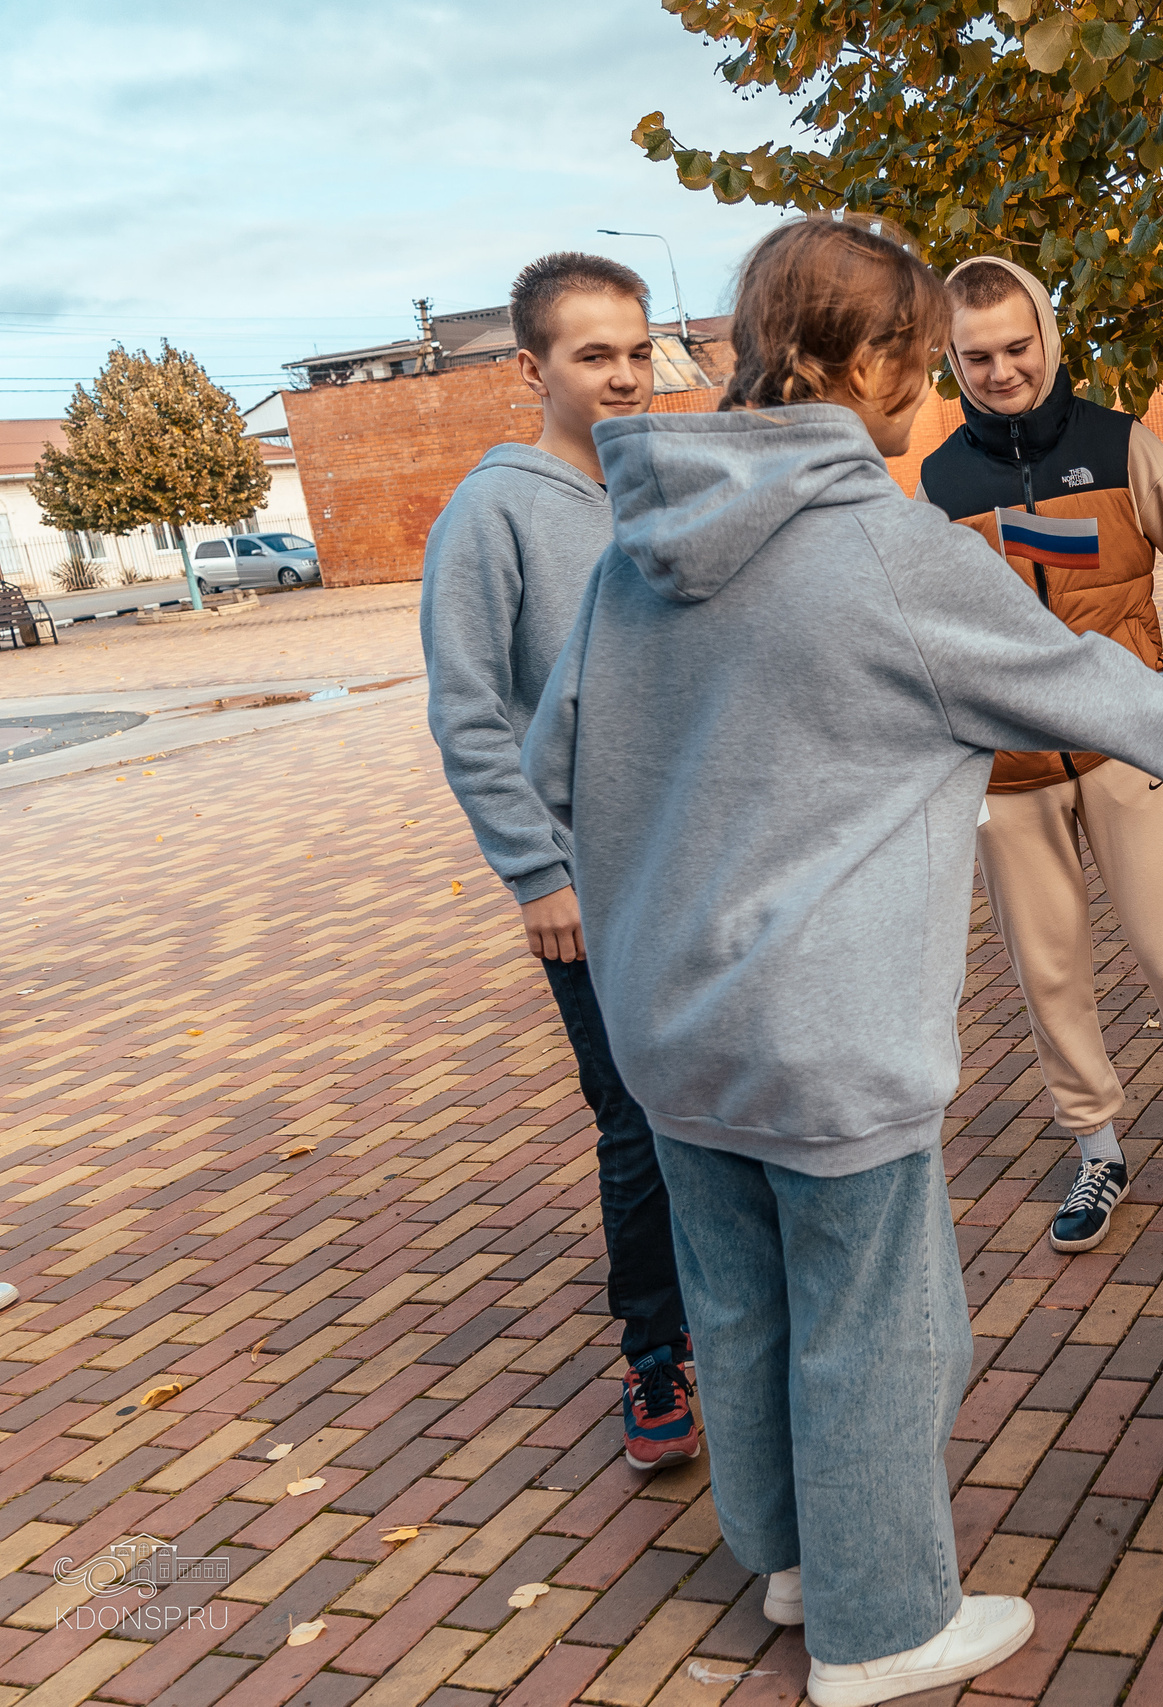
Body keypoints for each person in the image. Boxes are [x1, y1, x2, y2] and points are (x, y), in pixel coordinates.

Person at [520, 216, 1163, 1707]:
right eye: (917, 355)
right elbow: (1104, 695)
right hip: (819, 1028)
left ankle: (788, 1562)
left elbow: (553, 755)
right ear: (866, 358)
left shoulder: (636, 542)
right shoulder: (885, 548)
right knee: (879, 1324)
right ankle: (881, 1617)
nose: (931, 388)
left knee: (744, 1301)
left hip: (665, 1017)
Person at [918, 257, 1163, 1254]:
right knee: (1050, 972)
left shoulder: (1122, 446)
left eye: (1017, 348)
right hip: (1010, 775)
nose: (1001, 371)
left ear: (1049, 340)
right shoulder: (941, 482)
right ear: (951, 360)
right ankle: (1097, 1148)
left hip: (1127, 754)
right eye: (977, 356)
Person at [418, 252, 698, 1472]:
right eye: (595, 355)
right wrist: (537, 876)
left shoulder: (672, 486)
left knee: (719, 1110)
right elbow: (469, 713)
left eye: (638, 351)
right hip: (593, 887)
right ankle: (654, 1361)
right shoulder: (493, 513)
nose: (625, 375)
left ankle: (730, 1318)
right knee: (635, 1124)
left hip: (706, 864)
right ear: (531, 370)